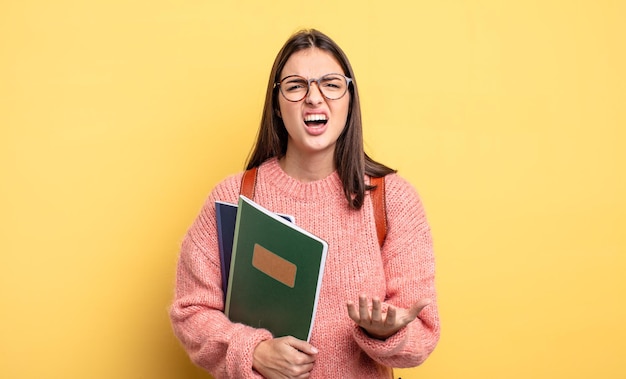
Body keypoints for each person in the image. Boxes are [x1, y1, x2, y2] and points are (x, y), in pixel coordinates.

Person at [169, 29, 440, 378]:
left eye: (330, 84)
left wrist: (385, 331)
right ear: (278, 106)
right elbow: (191, 310)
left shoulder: (393, 200)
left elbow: (421, 334)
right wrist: (252, 350)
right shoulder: (233, 197)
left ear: (349, 100)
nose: (314, 97)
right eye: (296, 86)